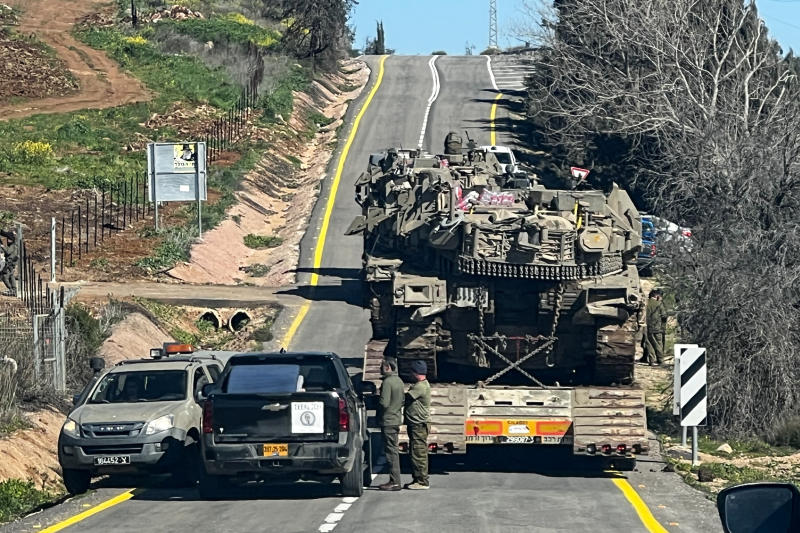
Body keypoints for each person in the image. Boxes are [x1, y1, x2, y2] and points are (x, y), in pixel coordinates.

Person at [377, 357, 404, 492]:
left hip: (388, 420)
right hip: (395, 418)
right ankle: (395, 480)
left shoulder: (387, 382)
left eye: (382, 366)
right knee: (393, 450)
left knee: (391, 452)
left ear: (388, 367)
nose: (380, 369)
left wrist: (377, 397)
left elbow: (384, 402)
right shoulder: (399, 381)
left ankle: (395, 481)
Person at [404, 360, 431, 490]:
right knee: (416, 452)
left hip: (419, 424)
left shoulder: (420, 387)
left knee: (418, 453)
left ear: (416, 373)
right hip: (417, 424)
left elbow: (406, 397)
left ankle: (422, 481)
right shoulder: (421, 385)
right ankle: (417, 479)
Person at [644, 288, 667, 366]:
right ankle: (660, 360)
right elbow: (664, 315)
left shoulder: (645, 303)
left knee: (649, 343)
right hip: (657, 327)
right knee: (658, 343)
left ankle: (652, 360)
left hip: (646, 326)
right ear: (657, 296)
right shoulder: (659, 304)